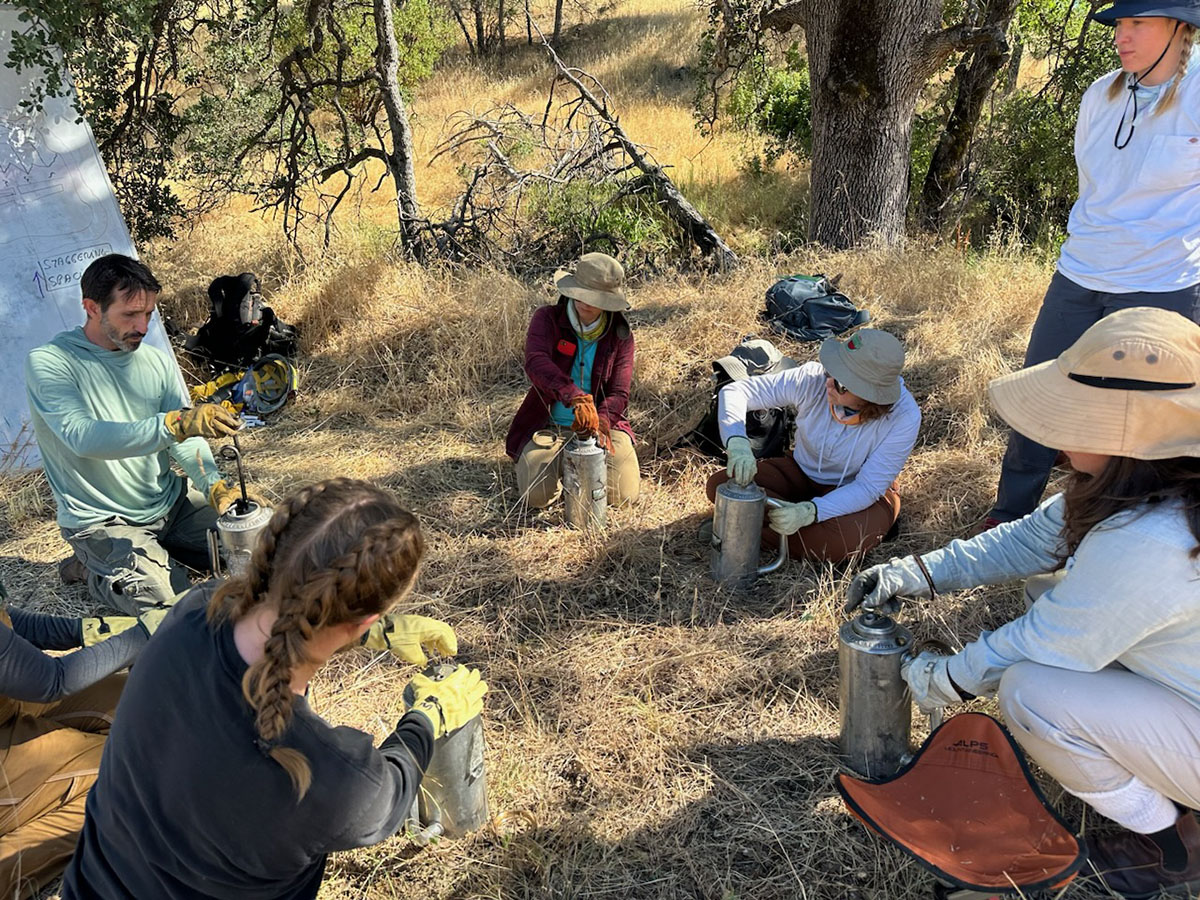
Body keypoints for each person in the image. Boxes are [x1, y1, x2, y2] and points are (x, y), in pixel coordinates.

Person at [846, 307, 1200, 897]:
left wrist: (949, 679)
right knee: (1048, 594)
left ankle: (1172, 846)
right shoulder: (1143, 482)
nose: (1059, 434)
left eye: (1077, 419)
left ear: (1125, 437)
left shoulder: (1150, 538)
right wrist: (917, 573)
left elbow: (1044, 644)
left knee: (1033, 693)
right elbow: (1032, 540)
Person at [61, 478, 487, 898]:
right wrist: (428, 717)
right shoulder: (336, 778)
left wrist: (378, 631)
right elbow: (393, 789)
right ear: (362, 619)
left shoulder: (192, 612)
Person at [983, 0, 1200, 528]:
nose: (1122, 36)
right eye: (1119, 24)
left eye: (1137, 23)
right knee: (1042, 390)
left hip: (1162, 282)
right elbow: (1095, 190)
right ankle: (1012, 513)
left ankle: (1134, 533)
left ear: (1180, 27)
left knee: (1156, 424)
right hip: (1081, 272)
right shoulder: (1098, 96)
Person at [24, 254, 243, 614]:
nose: (142, 326)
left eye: (148, 314)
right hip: (103, 521)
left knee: (263, 550)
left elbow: (185, 440)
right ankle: (92, 570)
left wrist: (215, 487)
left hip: (170, 504)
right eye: (129, 315)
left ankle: (162, 552)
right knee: (172, 609)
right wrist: (175, 423)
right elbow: (83, 437)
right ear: (91, 307)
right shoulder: (51, 363)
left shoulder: (155, 361)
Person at [0, 579, 168, 898]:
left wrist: (84, 630)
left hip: (10, 703)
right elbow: (53, 681)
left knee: (144, 701)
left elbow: (8, 625)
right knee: (127, 777)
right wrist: (146, 633)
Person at [705, 328, 921, 563]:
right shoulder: (813, 378)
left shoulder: (904, 416)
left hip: (857, 490)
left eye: (841, 383)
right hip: (800, 472)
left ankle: (739, 527)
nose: (828, 383)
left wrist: (811, 512)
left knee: (842, 543)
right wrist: (737, 442)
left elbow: (868, 487)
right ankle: (774, 530)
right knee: (720, 486)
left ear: (870, 396)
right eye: (831, 370)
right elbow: (736, 391)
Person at [506, 252, 640, 509]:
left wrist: (600, 421)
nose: (583, 301)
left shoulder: (621, 336)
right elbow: (536, 362)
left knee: (624, 497)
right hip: (549, 424)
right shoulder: (546, 318)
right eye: (580, 292)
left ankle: (577, 469)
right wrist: (574, 397)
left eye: (593, 298)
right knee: (535, 498)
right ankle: (559, 469)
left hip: (603, 426)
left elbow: (619, 393)